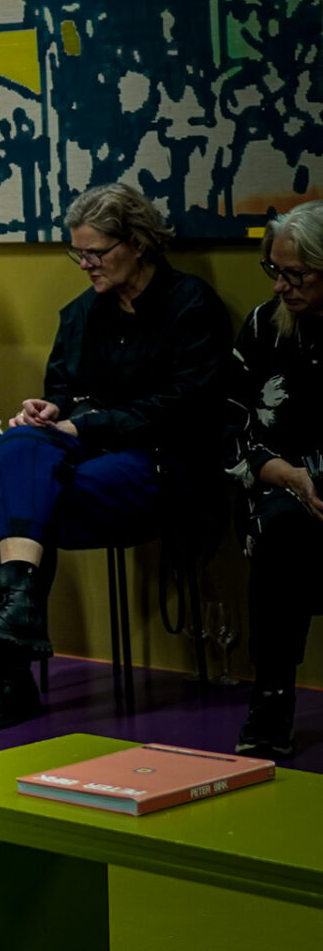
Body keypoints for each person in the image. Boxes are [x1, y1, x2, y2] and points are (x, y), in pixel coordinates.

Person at [0, 184, 230, 730]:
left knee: (25, 503)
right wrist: (48, 406)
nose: (85, 265)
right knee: (17, 442)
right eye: (77, 253)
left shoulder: (191, 305)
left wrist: (81, 421)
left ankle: (12, 667)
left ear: (137, 243)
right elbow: (64, 386)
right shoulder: (82, 314)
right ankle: (20, 611)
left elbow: (182, 409)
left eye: (95, 253)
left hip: (164, 461)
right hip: (85, 454)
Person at [227, 201, 323, 759]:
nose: (282, 285)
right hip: (280, 482)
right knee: (283, 532)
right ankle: (271, 698)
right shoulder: (266, 325)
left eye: (296, 274)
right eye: (275, 271)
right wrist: (287, 475)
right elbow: (231, 427)